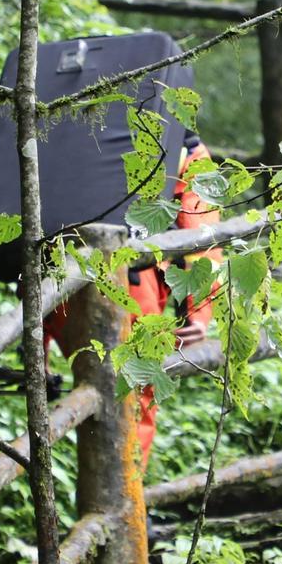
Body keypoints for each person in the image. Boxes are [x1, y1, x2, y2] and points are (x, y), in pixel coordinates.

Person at [47, 134, 221, 466]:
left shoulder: (62, 121)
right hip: (133, 289)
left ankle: (109, 489)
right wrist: (198, 313)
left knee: (100, 388)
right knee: (135, 394)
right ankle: (126, 491)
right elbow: (201, 233)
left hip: (57, 285)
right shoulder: (180, 141)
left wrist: (38, 344)